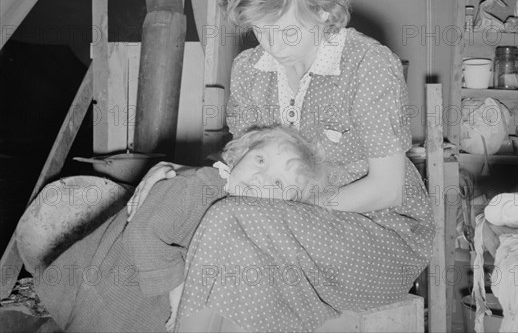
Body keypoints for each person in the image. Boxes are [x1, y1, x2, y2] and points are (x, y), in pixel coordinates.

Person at [131, 0, 435, 333]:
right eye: (260, 29)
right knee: (171, 207)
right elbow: (240, 163)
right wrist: (174, 174)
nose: (272, 44)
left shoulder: (368, 65)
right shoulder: (249, 71)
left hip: (379, 235)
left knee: (229, 221)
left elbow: (386, 189)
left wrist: (287, 206)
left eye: (287, 30)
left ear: (324, 9)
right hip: (280, 227)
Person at [31, 125, 325, 333]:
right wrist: (178, 297)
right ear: (241, 153)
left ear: (285, 205)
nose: (261, 177)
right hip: (110, 287)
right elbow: (143, 236)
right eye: (260, 160)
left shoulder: (238, 215)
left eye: (276, 184)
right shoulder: (198, 186)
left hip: (143, 302)